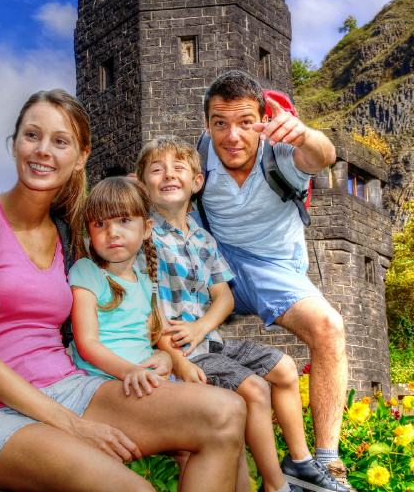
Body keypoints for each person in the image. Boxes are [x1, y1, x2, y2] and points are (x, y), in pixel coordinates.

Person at [0, 88, 245, 492]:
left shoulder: (69, 237)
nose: (43, 150)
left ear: (80, 158)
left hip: (71, 388)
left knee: (226, 412)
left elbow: (125, 303)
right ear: (14, 144)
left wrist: (160, 357)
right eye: (32, 136)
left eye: (60, 141)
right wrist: (75, 428)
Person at [137, 135, 348, 492]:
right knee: (253, 389)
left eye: (178, 168)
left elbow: (225, 299)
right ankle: (276, 486)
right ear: (142, 183)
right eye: (157, 170)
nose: (169, 175)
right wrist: (176, 356)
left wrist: (203, 326)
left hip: (208, 340)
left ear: (197, 181)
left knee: (284, 369)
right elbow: (145, 308)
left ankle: (299, 462)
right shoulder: (143, 237)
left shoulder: (204, 239)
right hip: (176, 350)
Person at [196, 70, 347, 484]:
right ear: (206, 124)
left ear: (263, 122)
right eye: (220, 123)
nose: (232, 137)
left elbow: (323, 156)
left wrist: (304, 135)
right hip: (215, 265)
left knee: (329, 328)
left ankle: (325, 462)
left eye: (246, 122)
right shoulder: (198, 156)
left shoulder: (279, 154)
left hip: (273, 269)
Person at [68, 176, 171, 394]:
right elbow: (87, 344)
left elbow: (156, 334)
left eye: (124, 220)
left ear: (146, 228)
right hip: (104, 381)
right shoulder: (87, 272)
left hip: (145, 376)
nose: (112, 232)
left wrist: (166, 357)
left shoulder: (145, 280)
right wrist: (130, 371)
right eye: (100, 224)